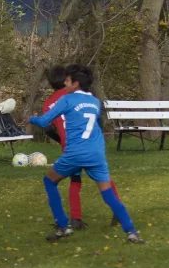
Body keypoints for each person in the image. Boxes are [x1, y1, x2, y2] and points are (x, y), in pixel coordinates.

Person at [29, 64, 144, 243]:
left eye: (67, 81)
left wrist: (29, 118)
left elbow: (44, 121)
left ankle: (62, 227)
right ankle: (131, 232)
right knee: (107, 193)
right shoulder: (95, 101)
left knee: (49, 181)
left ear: (75, 84)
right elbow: (96, 124)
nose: (64, 84)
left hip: (75, 152)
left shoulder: (67, 99)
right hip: (96, 153)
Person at [42, 66, 121, 230]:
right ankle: (118, 210)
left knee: (75, 181)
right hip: (89, 143)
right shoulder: (77, 95)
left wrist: (60, 141)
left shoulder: (49, 102)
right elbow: (96, 116)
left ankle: (76, 218)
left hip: (70, 146)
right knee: (103, 177)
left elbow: (47, 128)